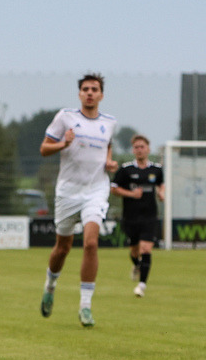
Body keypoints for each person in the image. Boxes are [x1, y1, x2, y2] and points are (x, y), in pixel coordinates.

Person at [38, 73, 118, 327]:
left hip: (96, 190)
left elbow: (107, 145)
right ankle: (50, 286)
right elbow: (44, 149)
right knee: (62, 248)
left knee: (91, 244)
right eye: (85, 89)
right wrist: (63, 144)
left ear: (101, 95)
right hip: (68, 192)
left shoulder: (109, 122)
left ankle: (85, 306)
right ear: (79, 94)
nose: (90, 93)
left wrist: (109, 161)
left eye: (94, 89)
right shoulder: (66, 117)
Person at [110, 134, 164, 297]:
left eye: (142, 147)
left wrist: (161, 193)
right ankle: (136, 265)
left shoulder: (156, 169)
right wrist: (131, 194)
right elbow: (114, 188)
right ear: (133, 150)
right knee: (134, 251)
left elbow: (161, 185)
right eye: (136, 147)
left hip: (150, 216)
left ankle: (141, 286)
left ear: (148, 149)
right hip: (131, 217)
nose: (139, 150)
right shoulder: (126, 169)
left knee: (146, 248)